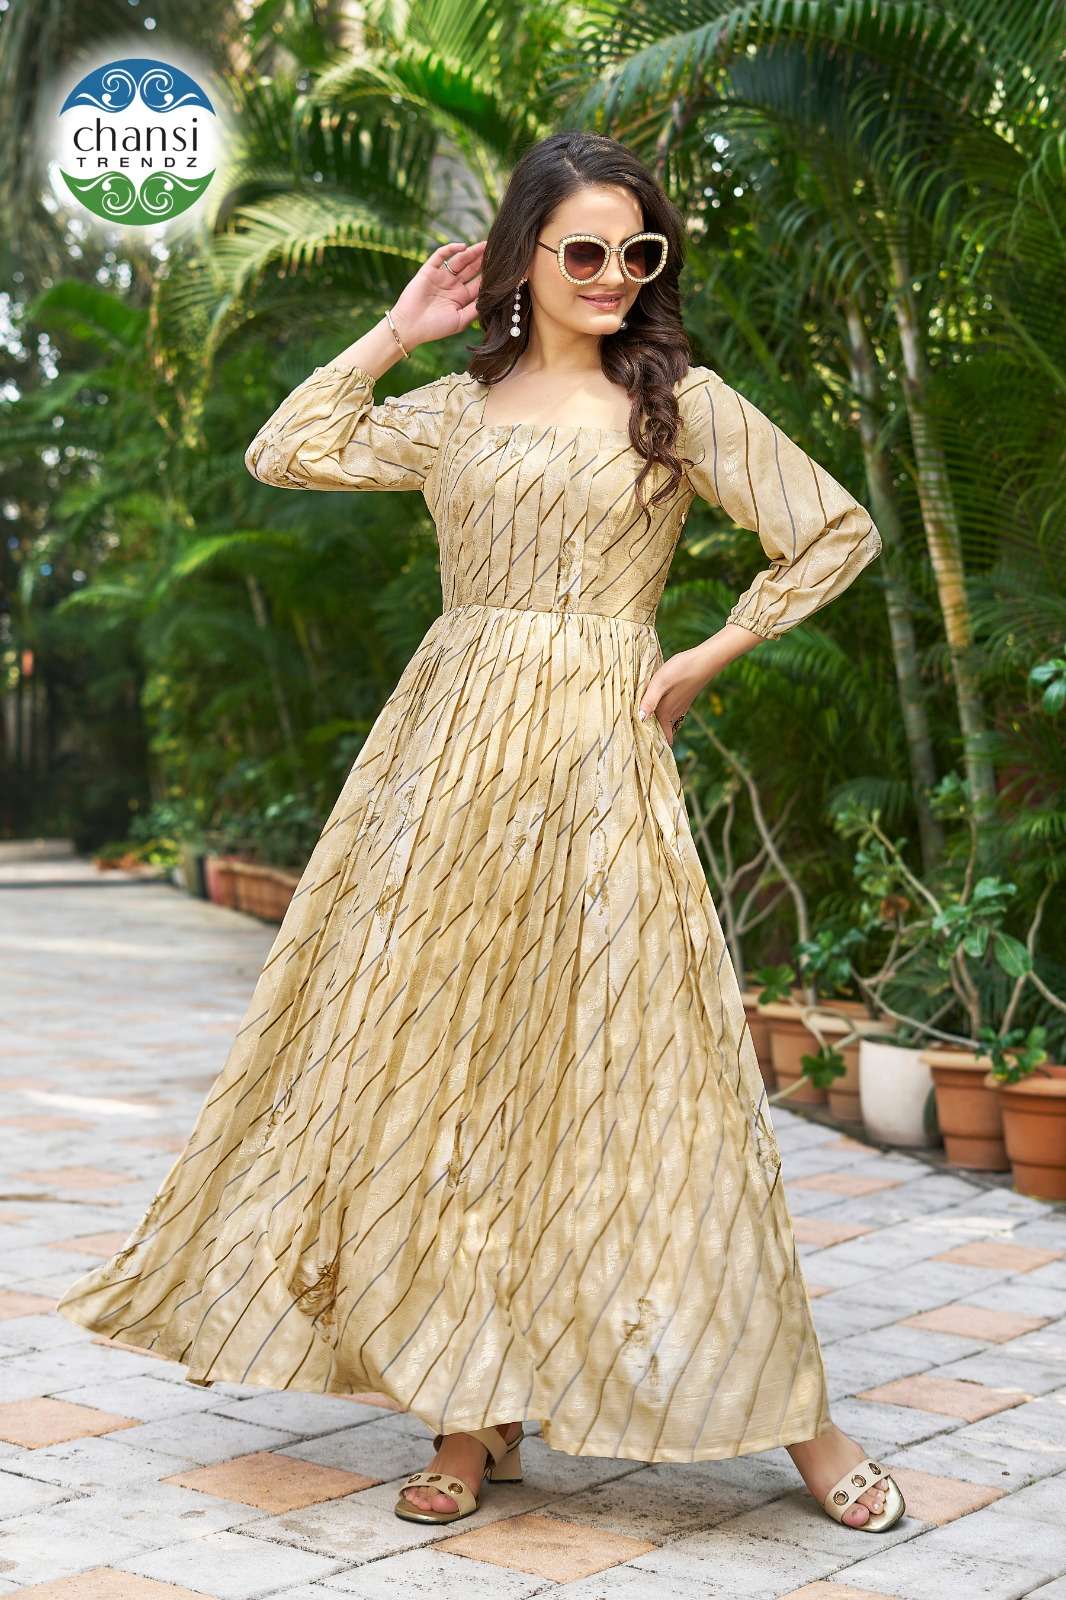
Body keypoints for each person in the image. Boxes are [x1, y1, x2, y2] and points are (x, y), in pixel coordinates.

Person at [55, 130, 902, 1538]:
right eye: (585, 250)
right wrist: (399, 332)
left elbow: (830, 531)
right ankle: (469, 1409)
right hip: (443, 763)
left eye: (639, 252)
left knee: (648, 1070)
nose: (614, 275)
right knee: (449, 1071)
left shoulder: (676, 405)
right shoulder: (458, 408)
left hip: (598, 755)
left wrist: (710, 653)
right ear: (522, 257)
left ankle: (798, 1420)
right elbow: (286, 449)